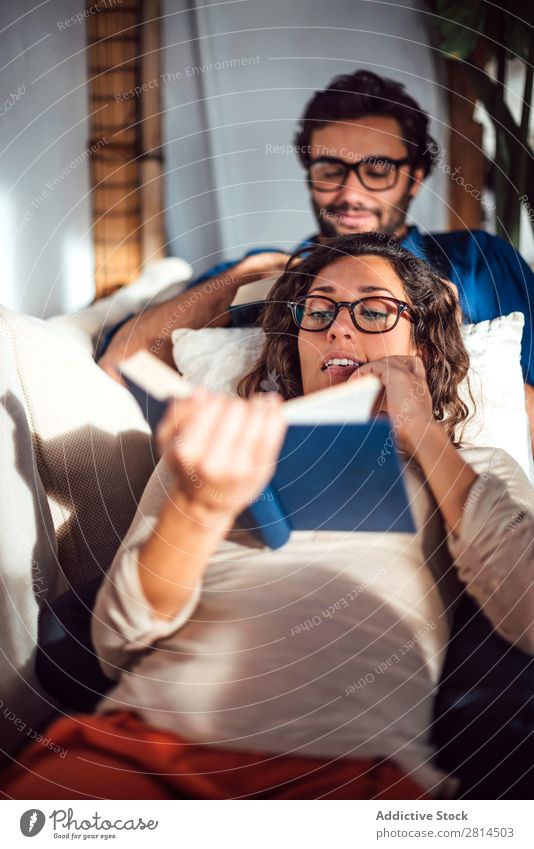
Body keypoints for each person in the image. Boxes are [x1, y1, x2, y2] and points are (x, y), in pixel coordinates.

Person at [9, 234, 534, 799]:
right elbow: (115, 644)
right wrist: (197, 507)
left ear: (422, 350)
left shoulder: (472, 467)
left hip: (353, 775)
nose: (338, 326)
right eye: (320, 308)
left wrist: (424, 435)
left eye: (374, 310)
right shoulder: (214, 450)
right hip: (139, 747)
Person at [96, 70, 534, 441]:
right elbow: (119, 363)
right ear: (310, 175)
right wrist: (245, 275)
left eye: (377, 171)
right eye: (330, 170)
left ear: (415, 177)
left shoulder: (481, 261)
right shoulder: (268, 276)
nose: (350, 193)